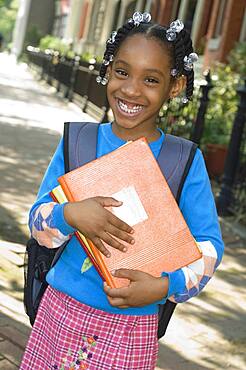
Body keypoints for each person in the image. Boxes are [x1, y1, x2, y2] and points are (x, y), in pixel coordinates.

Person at [20, 12, 224, 370]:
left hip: (132, 328)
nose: (131, 89)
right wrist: (69, 215)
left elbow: (208, 247)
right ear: (108, 69)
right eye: (122, 72)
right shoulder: (78, 143)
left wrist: (164, 287)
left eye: (150, 79)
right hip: (61, 311)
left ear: (174, 86)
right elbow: (38, 223)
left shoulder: (184, 161)